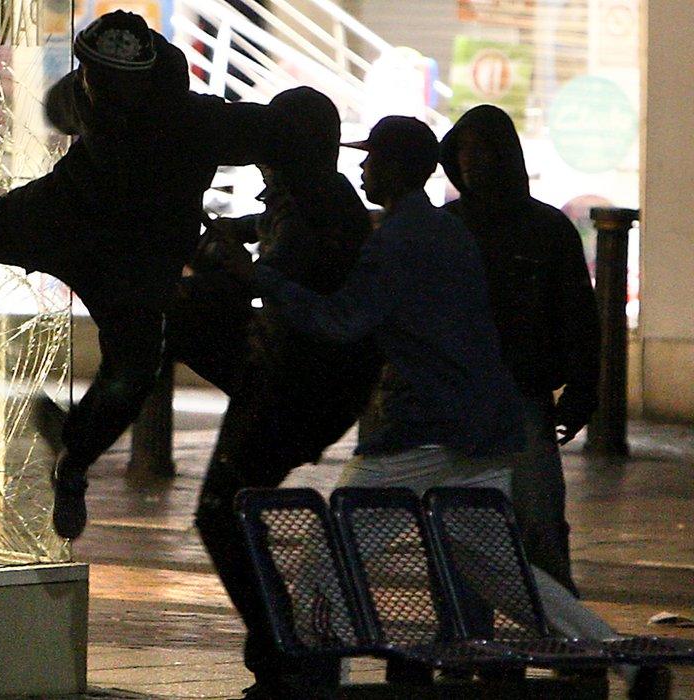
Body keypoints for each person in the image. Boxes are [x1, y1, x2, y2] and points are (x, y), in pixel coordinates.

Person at [0, 11, 318, 542]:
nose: (101, 91)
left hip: (135, 261)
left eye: (114, 83)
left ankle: (73, 463)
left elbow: (282, 133)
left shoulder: (195, 121)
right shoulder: (92, 97)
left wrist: (303, 203)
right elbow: (63, 111)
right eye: (93, 77)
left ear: (143, 80)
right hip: (67, 218)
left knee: (132, 373)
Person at [217, 115, 654, 698]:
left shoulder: (402, 240)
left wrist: (256, 278)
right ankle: (623, 658)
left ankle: (314, 677)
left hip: (422, 434)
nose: (363, 169)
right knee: (508, 576)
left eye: (372, 160)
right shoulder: (444, 233)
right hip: (485, 428)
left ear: (397, 170)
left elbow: (341, 321)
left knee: (329, 556)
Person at [175, 90, 384, 700]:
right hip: (289, 378)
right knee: (230, 507)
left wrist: (223, 259)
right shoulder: (305, 198)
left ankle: (277, 647)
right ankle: (275, 645)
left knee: (222, 509)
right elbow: (248, 239)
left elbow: (277, 275)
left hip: (302, 385)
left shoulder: (317, 205)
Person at [439, 104, 601, 595]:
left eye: (481, 153)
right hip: (473, 399)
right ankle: (498, 642)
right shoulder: (452, 227)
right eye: (464, 154)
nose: (471, 164)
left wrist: (579, 392)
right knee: (471, 528)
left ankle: (556, 644)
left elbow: (578, 317)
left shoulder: (544, 231)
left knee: (537, 525)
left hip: (518, 395)